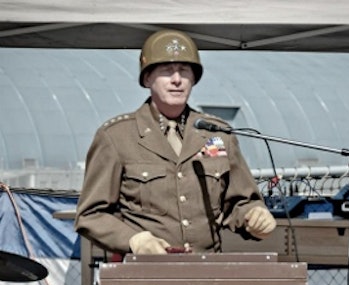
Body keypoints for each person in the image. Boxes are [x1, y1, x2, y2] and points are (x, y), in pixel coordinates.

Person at [74, 29, 276, 255]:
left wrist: (255, 215)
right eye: (167, 70)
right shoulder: (116, 137)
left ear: (194, 79)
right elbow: (90, 216)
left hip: (207, 273)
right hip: (143, 277)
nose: (177, 79)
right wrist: (133, 240)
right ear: (147, 78)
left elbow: (238, 202)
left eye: (184, 70)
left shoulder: (217, 134)